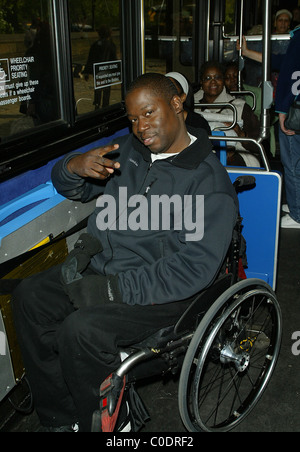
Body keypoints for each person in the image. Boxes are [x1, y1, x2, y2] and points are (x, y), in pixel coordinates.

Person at [10, 73, 238, 432]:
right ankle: (61, 418)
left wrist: (113, 290)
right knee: (30, 297)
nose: (140, 127)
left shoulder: (207, 183)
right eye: (132, 119)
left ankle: (113, 426)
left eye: (148, 113)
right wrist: (72, 167)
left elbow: (193, 269)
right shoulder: (128, 152)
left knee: (80, 330)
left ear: (177, 104)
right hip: (105, 270)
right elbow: (73, 186)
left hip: (161, 291)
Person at [194, 61, 261, 167]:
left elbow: (258, 141)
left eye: (217, 77)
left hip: (234, 157)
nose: (213, 82)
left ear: (223, 81)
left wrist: (240, 133)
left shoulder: (240, 107)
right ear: (201, 82)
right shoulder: (191, 105)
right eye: (207, 78)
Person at [275, 25, 300, 228]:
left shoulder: (299, 36)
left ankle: (297, 213)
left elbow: (290, 73)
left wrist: (282, 108)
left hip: (297, 108)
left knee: (293, 162)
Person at [237, 10, 292, 89]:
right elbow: (273, 60)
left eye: (286, 21)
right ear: (275, 23)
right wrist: (246, 52)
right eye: (280, 20)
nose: (283, 23)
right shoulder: (265, 38)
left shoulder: (293, 41)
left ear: (289, 24)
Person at [83, 25, 117, 109]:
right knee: (107, 89)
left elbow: (90, 59)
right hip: (108, 71)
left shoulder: (95, 45)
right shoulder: (111, 45)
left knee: (98, 88)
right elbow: (114, 59)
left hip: (98, 71)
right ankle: (105, 106)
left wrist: (87, 72)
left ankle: (97, 105)